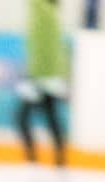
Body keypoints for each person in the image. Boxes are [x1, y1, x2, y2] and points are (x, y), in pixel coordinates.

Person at [16, 0, 70, 171]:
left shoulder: (42, 10)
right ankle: (59, 165)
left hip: (42, 78)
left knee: (24, 119)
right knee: (50, 119)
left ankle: (35, 164)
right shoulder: (50, 14)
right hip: (47, 77)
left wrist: (34, 77)